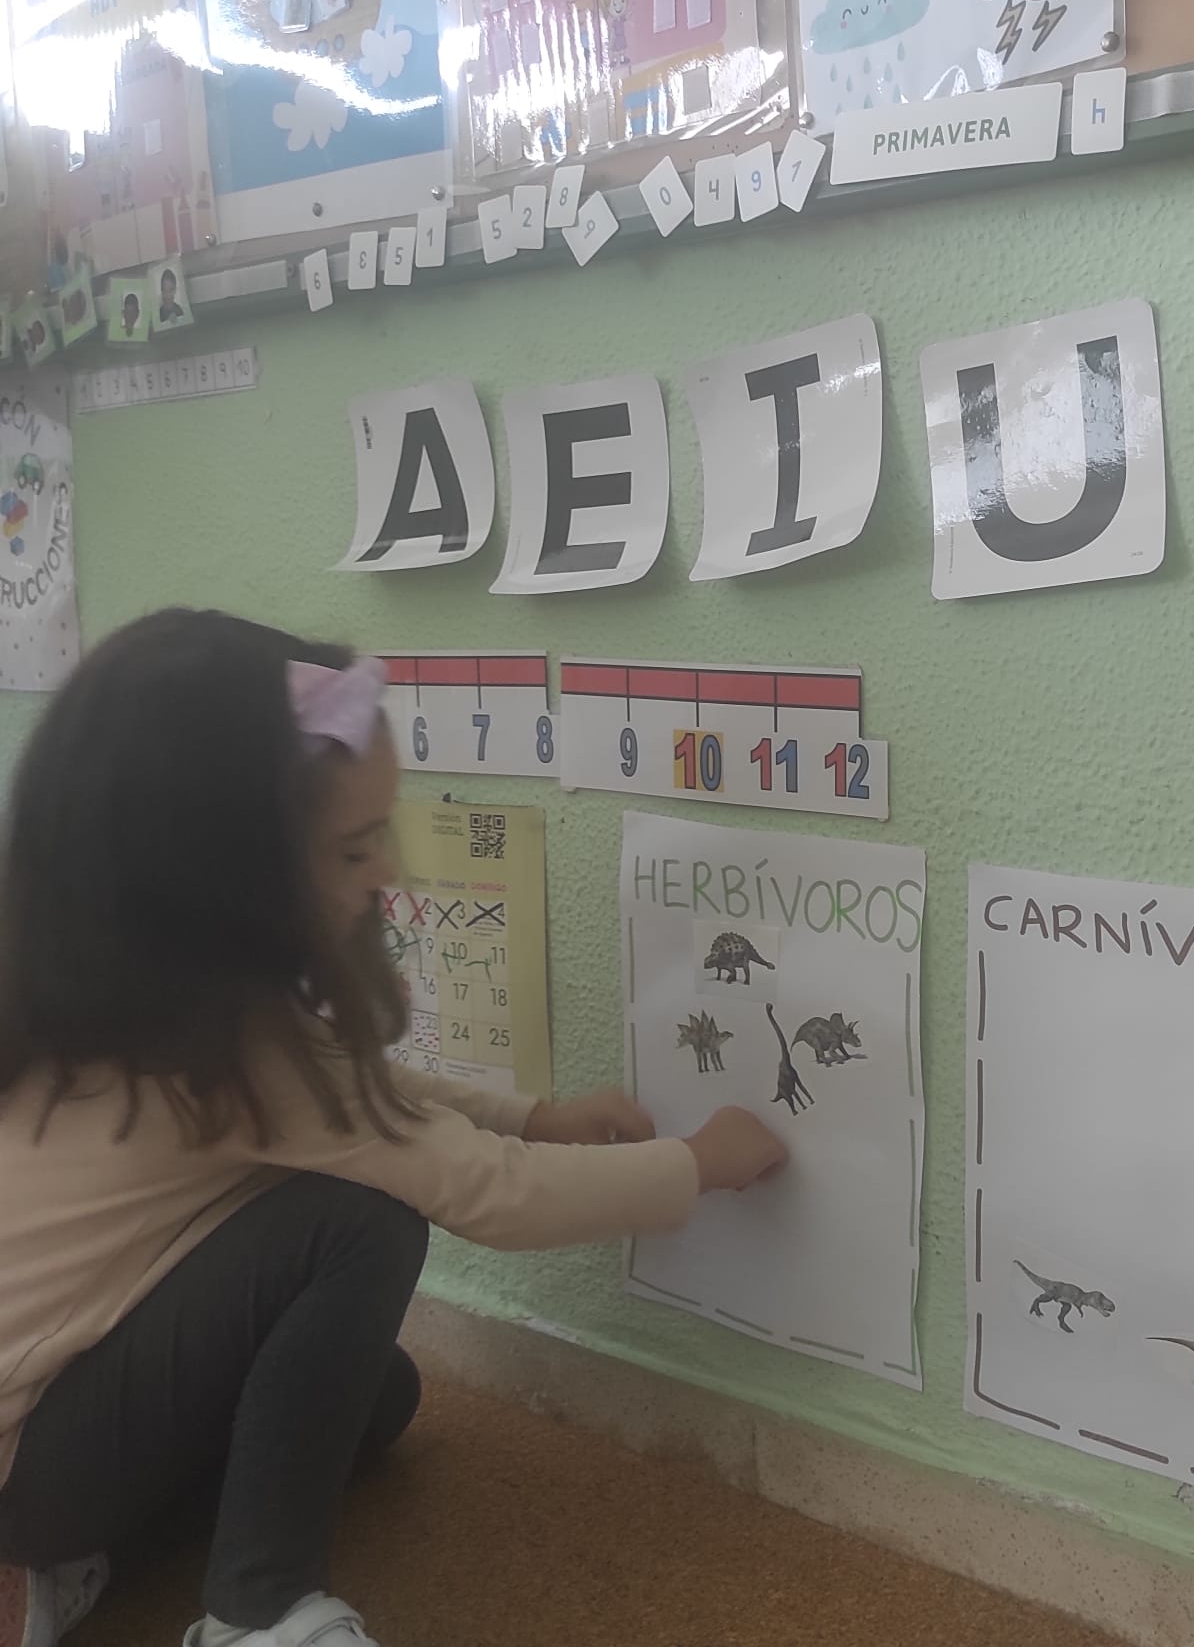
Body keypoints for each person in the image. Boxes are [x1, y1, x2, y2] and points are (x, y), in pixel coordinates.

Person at [0, 611, 788, 1647]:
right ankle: (258, 1612)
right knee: (360, 1220)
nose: (387, 871)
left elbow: (365, 1089)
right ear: (220, 872)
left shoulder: (141, 990)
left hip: (58, 1417)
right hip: (35, 1458)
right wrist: (695, 1164)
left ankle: (86, 1553)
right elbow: (487, 1191)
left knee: (376, 1396)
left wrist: (539, 1117)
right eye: (353, 846)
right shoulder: (233, 1054)